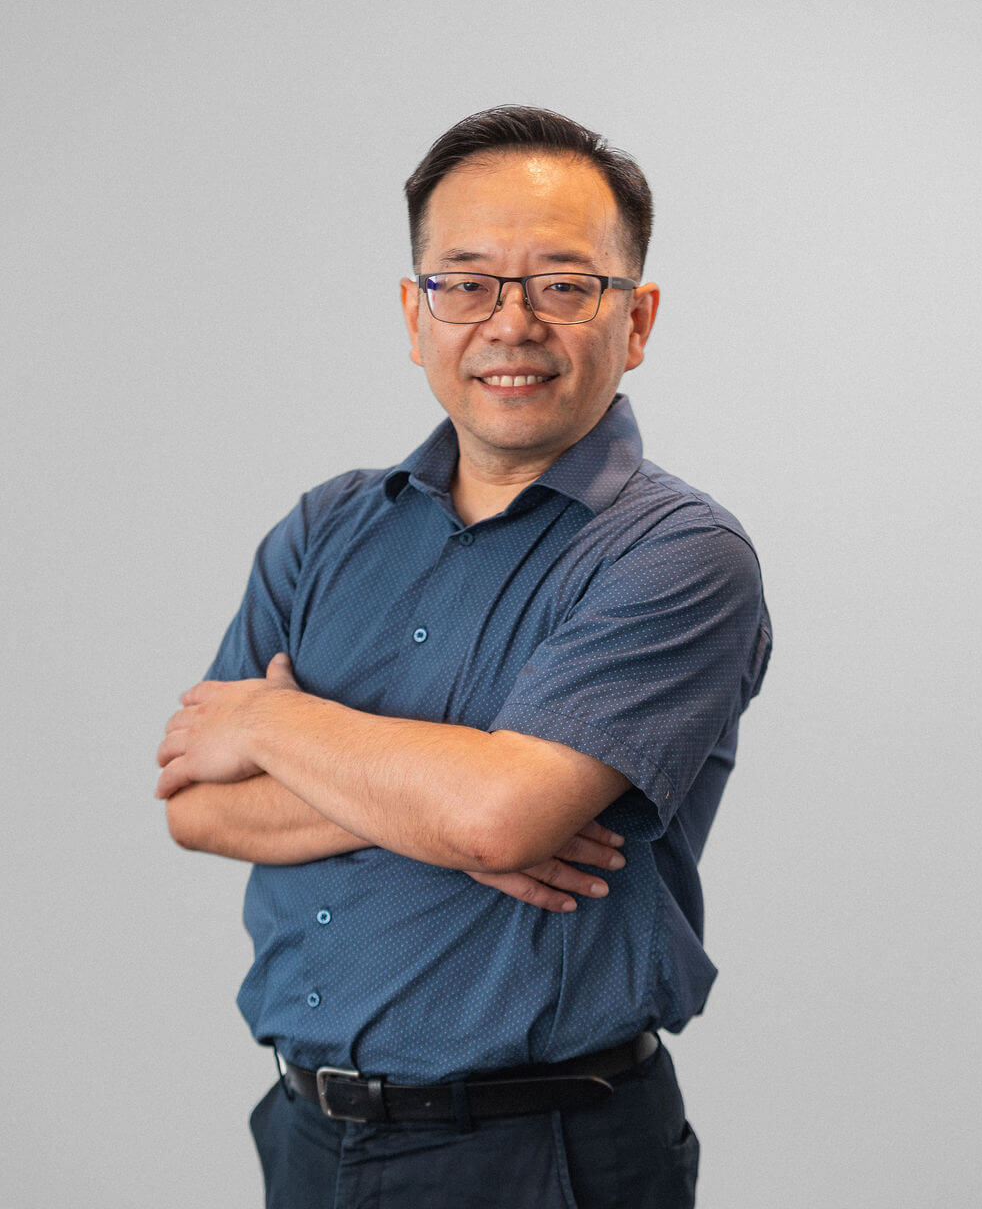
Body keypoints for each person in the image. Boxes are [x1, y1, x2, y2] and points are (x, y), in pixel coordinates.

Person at [156, 105, 771, 1208]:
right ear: (414, 311)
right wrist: (443, 793)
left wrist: (268, 724)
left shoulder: (679, 554)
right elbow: (196, 805)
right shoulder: (326, 529)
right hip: (306, 1134)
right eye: (467, 280)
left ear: (637, 321)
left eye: (564, 284)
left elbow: (495, 820)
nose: (510, 322)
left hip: (541, 1149)